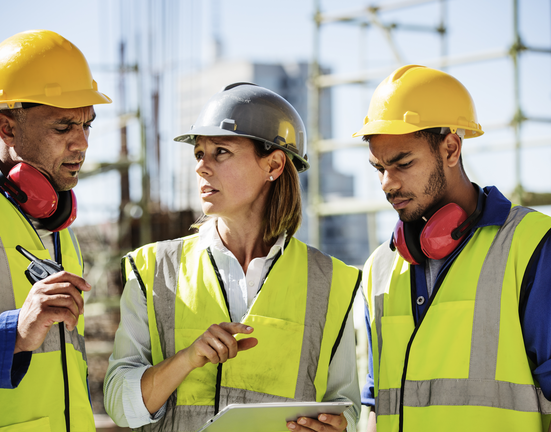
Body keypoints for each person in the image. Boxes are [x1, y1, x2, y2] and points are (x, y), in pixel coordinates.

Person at [104, 83, 362, 432]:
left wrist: (337, 426)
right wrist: (186, 359)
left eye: (221, 151)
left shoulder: (332, 282)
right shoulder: (153, 270)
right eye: (199, 154)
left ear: (273, 164)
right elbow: (120, 406)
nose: (202, 167)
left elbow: (346, 405)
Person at [353, 65, 551, 432]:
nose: (388, 184)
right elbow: (377, 406)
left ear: (451, 148)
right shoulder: (379, 267)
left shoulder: (535, 245)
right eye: (379, 169)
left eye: (402, 164)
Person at [0, 29, 112, 431]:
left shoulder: (57, 223)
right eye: (63, 127)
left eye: (87, 125)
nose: (82, 144)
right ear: (7, 128)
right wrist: (14, 333)